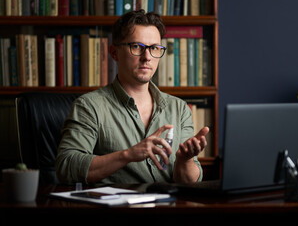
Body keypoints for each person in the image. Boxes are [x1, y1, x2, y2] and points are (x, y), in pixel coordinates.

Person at [55, 10, 209, 185]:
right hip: (119, 209)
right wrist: (128, 155)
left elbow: (188, 182)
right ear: (114, 53)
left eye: (154, 48)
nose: (147, 57)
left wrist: (185, 160)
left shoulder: (179, 108)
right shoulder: (89, 106)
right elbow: (66, 167)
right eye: (136, 47)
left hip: (168, 208)